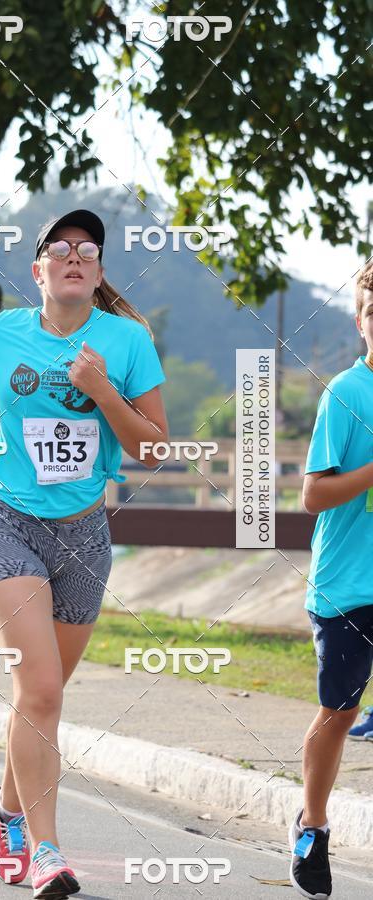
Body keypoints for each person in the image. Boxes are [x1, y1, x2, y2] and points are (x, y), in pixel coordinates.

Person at [0, 209, 169, 899]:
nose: (74, 256)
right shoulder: (0, 334)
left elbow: (152, 444)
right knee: (42, 691)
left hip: (86, 539)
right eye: (59, 248)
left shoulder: (126, 341)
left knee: (40, 701)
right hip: (9, 527)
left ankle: (3, 810)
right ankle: (46, 852)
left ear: (98, 272)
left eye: (88, 249)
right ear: (38, 272)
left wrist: (102, 392)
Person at [289, 259, 373, 900]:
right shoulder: (347, 394)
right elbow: (313, 497)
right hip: (348, 586)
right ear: (361, 321)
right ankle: (313, 822)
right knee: (339, 713)